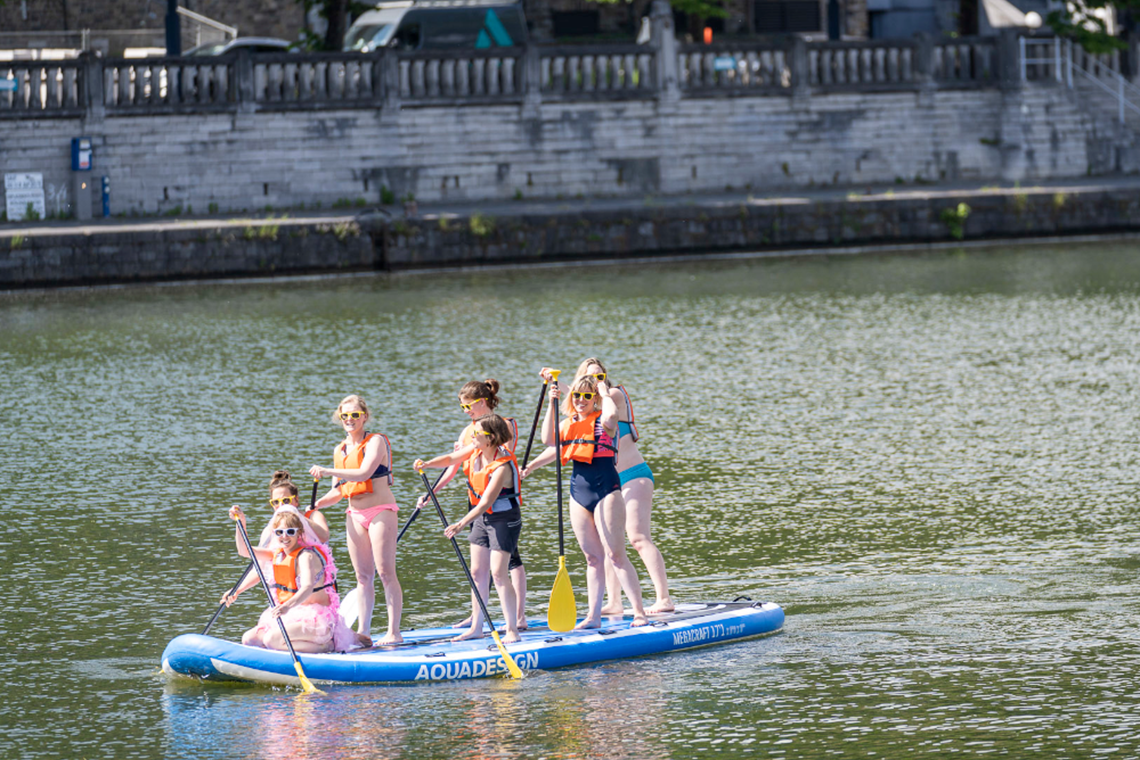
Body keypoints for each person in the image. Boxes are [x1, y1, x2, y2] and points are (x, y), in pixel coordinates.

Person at [523, 371, 648, 629]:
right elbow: (548, 440)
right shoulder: (567, 423)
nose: (581, 400)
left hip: (607, 490)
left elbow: (612, 415)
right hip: (578, 492)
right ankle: (593, 616)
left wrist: (604, 392)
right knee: (592, 558)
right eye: (577, 395)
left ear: (594, 399)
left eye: (586, 396)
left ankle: (639, 613)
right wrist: (552, 403)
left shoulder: (605, 420)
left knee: (615, 555)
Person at [417, 379, 528, 628]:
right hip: (477, 509)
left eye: (469, 406)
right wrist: (428, 472)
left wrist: (459, 524)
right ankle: (477, 622)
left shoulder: (500, 441)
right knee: (478, 570)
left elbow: (490, 491)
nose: (466, 412)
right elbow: (451, 461)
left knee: (504, 567)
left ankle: (516, 620)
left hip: (501, 511)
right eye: (462, 407)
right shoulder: (474, 441)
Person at [573, 358, 672, 614]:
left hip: (635, 475)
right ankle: (614, 602)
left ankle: (664, 599)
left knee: (638, 538)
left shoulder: (613, 395)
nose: (598, 381)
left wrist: (565, 386)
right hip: (611, 481)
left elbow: (598, 403)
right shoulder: (585, 410)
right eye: (591, 377)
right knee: (609, 543)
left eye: (600, 376)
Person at [309, 395, 403, 646]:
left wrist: (327, 470)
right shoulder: (339, 450)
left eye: (354, 415)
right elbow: (338, 491)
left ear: (365, 417)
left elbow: (363, 473)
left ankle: (394, 632)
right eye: (344, 416)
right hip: (354, 514)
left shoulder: (376, 441)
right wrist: (316, 505)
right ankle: (364, 632)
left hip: (381, 510)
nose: (349, 419)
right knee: (362, 576)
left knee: (385, 572)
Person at [222, 509, 356, 653]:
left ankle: (327, 646)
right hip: (292, 614)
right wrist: (241, 523)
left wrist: (286, 606)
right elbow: (244, 551)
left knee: (271, 640)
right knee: (248, 639)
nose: (284, 536)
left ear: (299, 533)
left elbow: (307, 588)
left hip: (318, 620)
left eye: (290, 532)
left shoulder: (306, 556)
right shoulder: (277, 554)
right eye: (279, 532)